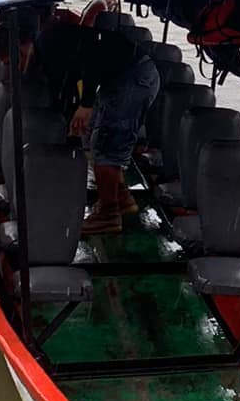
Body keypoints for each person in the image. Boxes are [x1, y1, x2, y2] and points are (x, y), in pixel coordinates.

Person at [34, 15, 161, 236]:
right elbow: (68, 82)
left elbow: (90, 57)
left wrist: (85, 105)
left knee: (105, 146)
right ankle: (121, 197)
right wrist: (73, 114)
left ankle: (109, 216)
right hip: (122, 77)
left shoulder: (50, 42)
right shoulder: (53, 48)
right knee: (93, 132)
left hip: (132, 78)